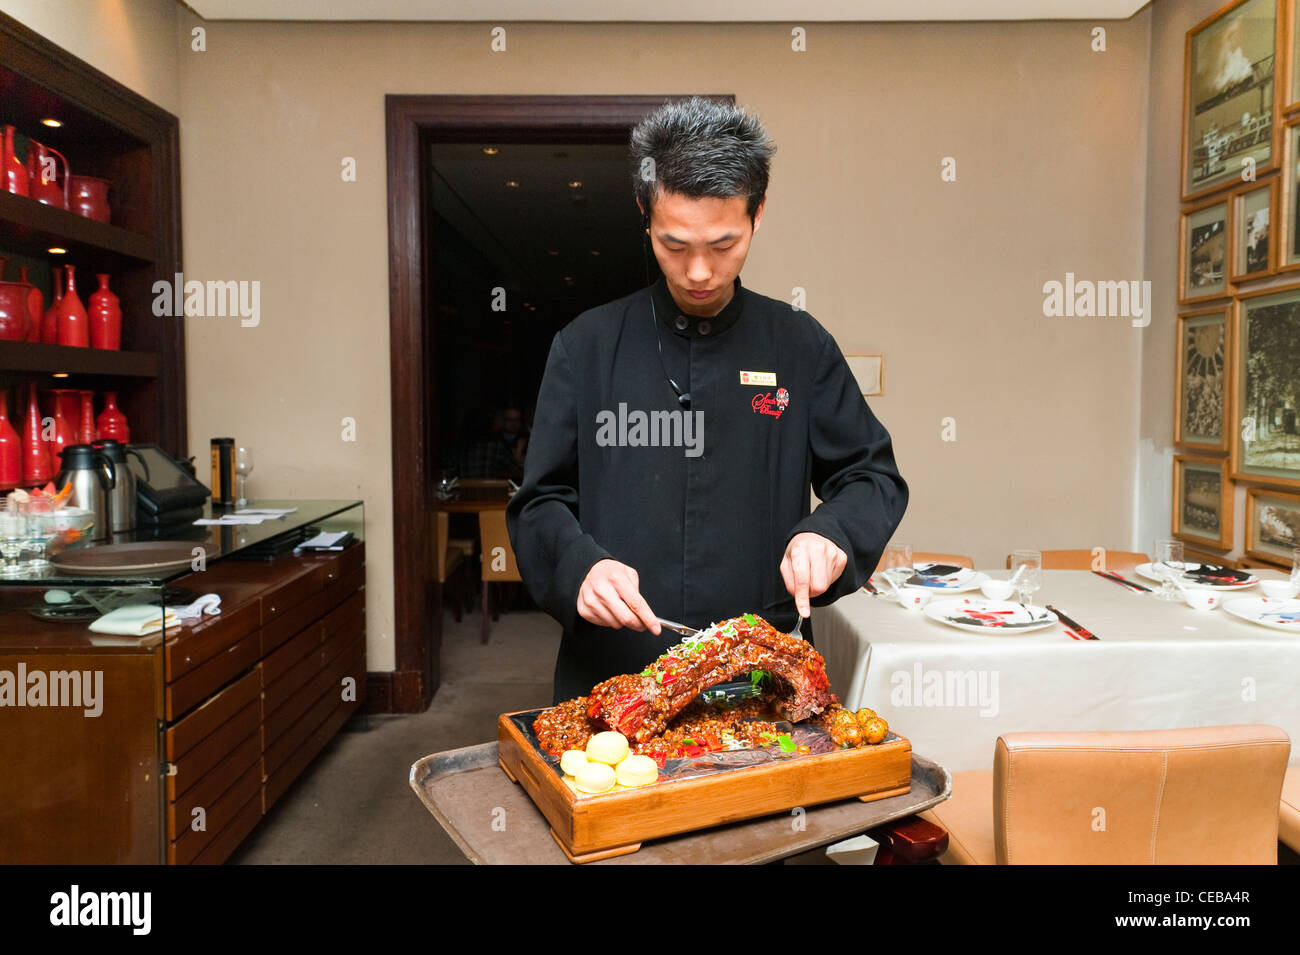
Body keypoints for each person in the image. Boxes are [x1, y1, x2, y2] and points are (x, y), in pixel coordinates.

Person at [506, 97, 908, 703]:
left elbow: (870, 475)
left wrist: (832, 534)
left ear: (758, 214)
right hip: (614, 673)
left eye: (723, 245)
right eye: (674, 245)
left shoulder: (799, 345)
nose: (698, 271)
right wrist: (579, 566)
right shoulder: (585, 346)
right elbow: (540, 502)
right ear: (645, 213)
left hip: (761, 675)